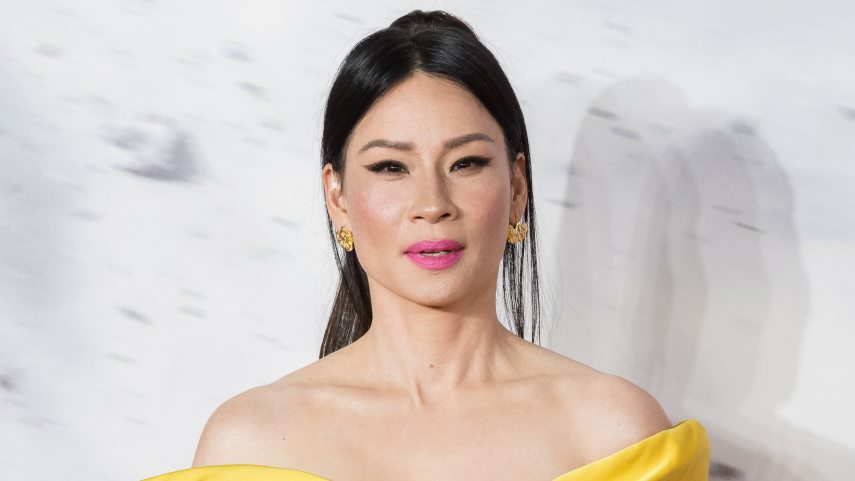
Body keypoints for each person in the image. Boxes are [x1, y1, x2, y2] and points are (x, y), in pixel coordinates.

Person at [143, 9, 710, 481]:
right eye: (391, 167)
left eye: (466, 163)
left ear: (517, 188)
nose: (432, 203)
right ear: (337, 198)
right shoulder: (251, 444)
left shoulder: (614, 433)